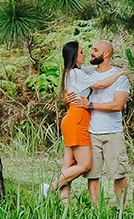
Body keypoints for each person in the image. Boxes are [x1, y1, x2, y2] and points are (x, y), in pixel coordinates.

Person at [46, 41, 126, 204]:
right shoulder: (78, 73)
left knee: (69, 164)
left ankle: (65, 205)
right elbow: (102, 83)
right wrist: (123, 71)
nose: (87, 54)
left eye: (93, 50)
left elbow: (98, 73)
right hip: (78, 120)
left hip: (77, 119)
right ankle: (49, 189)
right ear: (75, 56)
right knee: (85, 165)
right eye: (82, 52)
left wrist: (116, 71)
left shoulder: (79, 71)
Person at [71, 40, 131, 207]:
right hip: (91, 132)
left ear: (106, 54)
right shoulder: (87, 73)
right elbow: (69, 75)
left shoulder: (121, 77)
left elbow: (117, 105)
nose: (91, 53)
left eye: (95, 50)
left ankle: (120, 210)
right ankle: (97, 213)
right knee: (93, 175)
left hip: (113, 132)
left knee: (119, 174)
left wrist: (90, 105)